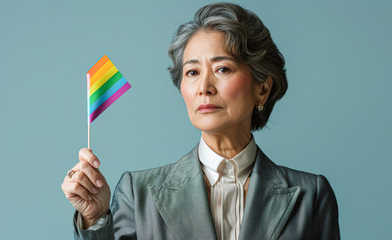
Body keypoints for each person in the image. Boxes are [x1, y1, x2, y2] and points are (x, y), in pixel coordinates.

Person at [61, 2, 340, 240]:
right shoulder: (138, 194)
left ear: (262, 88)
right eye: (192, 72)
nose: (204, 86)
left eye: (222, 68)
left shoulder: (310, 196)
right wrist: (95, 218)